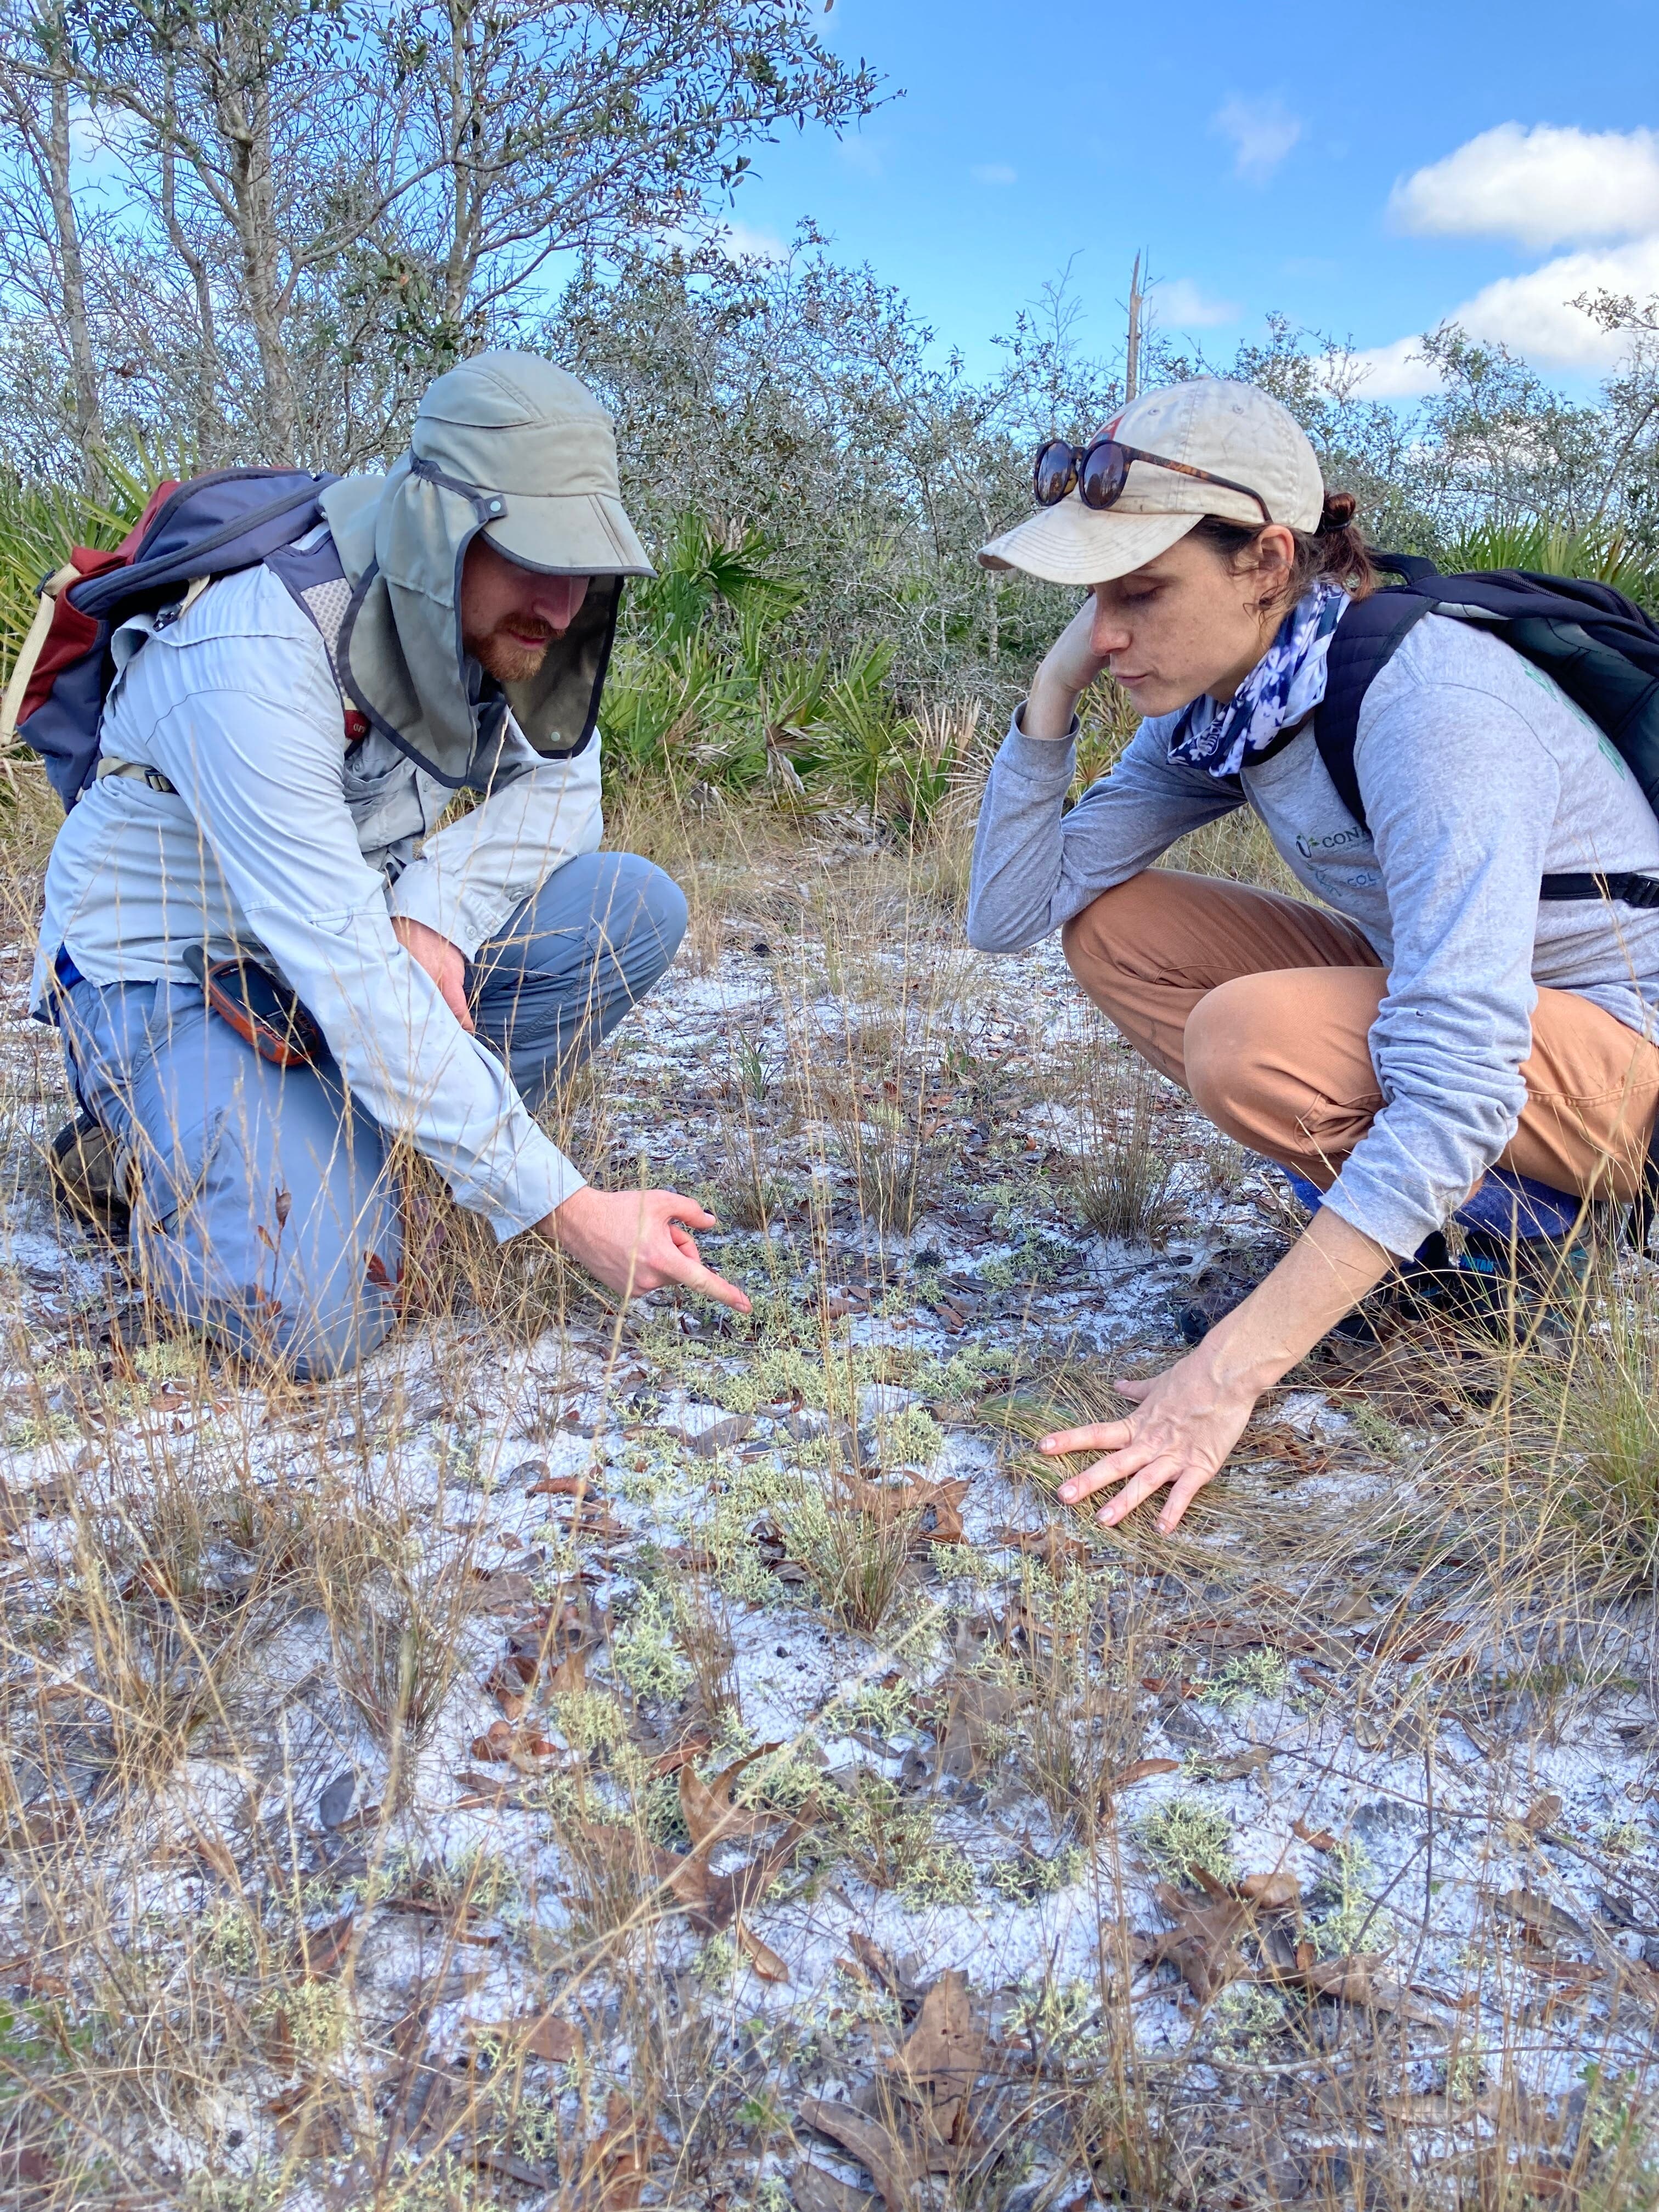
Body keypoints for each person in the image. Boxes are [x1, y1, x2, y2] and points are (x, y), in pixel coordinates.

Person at [966, 376, 1659, 1534]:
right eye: (1094, 601)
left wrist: (1225, 1375)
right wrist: (1051, 693)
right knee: (1116, 932)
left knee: (1252, 1041)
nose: (1110, 634)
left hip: (1624, 1071)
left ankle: (1528, 1250)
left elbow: (1460, 1077)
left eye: (1141, 590)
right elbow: (1012, 913)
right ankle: (1437, 1249)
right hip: (1491, 1023)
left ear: (1268, 563)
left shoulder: (1429, 703)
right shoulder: (1226, 704)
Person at [35, 351, 748, 1379]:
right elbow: (352, 976)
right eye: (531, 557)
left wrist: (436, 908)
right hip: (170, 975)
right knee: (317, 1322)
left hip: (339, 951)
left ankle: (338, 1147)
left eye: (579, 564)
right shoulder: (253, 648)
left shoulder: (500, 619)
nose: (559, 605)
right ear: (437, 529)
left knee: (631, 904)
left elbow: (567, 790)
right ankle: (146, 1151)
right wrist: (567, 1209)